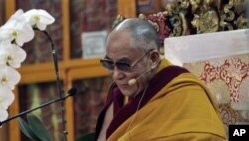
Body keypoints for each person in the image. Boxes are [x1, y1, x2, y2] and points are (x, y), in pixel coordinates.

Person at [94, 18, 228, 141]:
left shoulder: (185, 93)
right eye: (109, 64)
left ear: (153, 59)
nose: (116, 75)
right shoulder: (118, 97)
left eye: (124, 65)